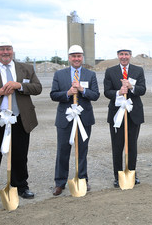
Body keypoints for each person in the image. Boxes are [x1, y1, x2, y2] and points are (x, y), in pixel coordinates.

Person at [0, 37, 42, 203]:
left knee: (19, 154)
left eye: (8, 48)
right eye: (1, 49)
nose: (6, 52)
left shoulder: (25, 68)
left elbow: (37, 88)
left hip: (20, 118)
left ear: (13, 50)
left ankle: (21, 186)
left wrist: (20, 86)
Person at [50, 45, 100, 196]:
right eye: (73, 56)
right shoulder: (60, 74)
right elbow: (53, 95)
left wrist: (82, 90)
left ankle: (82, 178)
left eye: (79, 56)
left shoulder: (90, 74)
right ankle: (60, 182)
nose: (76, 59)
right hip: (65, 119)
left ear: (82, 57)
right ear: (69, 58)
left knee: (82, 151)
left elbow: (95, 95)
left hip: (83, 119)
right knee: (63, 151)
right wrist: (68, 93)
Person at [104, 48, 146, 187]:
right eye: (121, 54)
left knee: (132, 145)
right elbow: (106, 91)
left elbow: (143, 89)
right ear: (118, 56)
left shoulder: (138, 71)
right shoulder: (110, 71)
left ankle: (131, 173)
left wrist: (131, 87)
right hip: (117, 114)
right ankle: (118, 175)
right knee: (117, 146)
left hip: (134, 114)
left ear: (130, 56)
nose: (124, 57)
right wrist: (119, 92)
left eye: (126, 54)